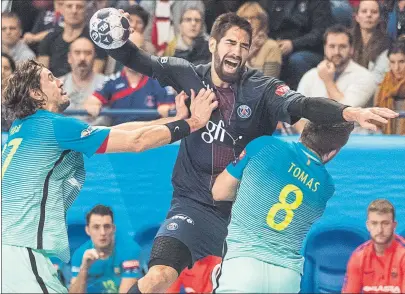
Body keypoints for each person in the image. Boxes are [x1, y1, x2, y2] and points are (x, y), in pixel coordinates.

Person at [101, 11, 398, 294]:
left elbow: (304, 105)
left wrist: (350, 112)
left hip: (242, 219)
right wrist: (114, 35)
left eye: (244, 46)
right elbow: (136, 59)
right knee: (157, 278)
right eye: (231, 42)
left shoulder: (263, 90)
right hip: (191, 206)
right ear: (213, 44)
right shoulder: (187, 74)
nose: (237, 51)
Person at [1, 59, 217, 293]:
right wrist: (195, 122)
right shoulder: (52, 126)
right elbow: (136, 142)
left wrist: (178, 121)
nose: (60, 82)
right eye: (50, 78)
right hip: (20, 251)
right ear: (36, 93)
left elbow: (120, 131)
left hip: (13, 250)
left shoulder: (24, 127)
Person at [211, 122, 354, 293]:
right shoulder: (326, 186)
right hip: (287, 277)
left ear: (305, 129)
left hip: (243, 265)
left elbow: (220, 192)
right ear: (333, 152)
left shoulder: (264, 145)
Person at [294, 25, 377, 133]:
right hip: (314, 142)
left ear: (351, 49)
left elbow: (346, 113)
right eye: (332, 46)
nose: (336, 52)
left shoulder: (365, 76)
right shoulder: (310, 76)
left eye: (342, 47)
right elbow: (297, 115)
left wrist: (328, 81)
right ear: (325, 48)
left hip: (354, 141)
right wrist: (310, 140)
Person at [70, 205, 142, 293]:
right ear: (88, 230)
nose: (102, 233)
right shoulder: (80, 255)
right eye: (96, 227)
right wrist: (84, 268)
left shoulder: (130, 251)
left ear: (113, 228)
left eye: (107, 226)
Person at [342, 199, 405, 293]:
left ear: (394, 225)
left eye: (385, 223)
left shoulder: (403, 255)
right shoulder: (358, 257)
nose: (379, 230)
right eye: (374, 223)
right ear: (368, 225)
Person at [60, 37, 107, 124]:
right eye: (77, 53)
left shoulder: (107, 84)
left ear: (94, 57)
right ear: (69, 57)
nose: (82, 58)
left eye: (88, 53)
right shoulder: (58, 84)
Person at [236, 1, 282, 78]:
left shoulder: (271, 47)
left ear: (262, 22)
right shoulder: (232, 45)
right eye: (245, 18)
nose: (249, 21)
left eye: (253, 18)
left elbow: (269, 84)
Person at [352, 0, 391, 84]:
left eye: (374, 12)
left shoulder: (387, 44)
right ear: (357, 17)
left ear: (380, 18)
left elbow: (378, 79)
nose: (369, 15)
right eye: (364, 11)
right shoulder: (348, 40)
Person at [374, 38, 405, 135]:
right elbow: (376, 119)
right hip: (387, 141)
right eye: (392, 62)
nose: (396, 68)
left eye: (402, 62)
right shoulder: (382, 87)